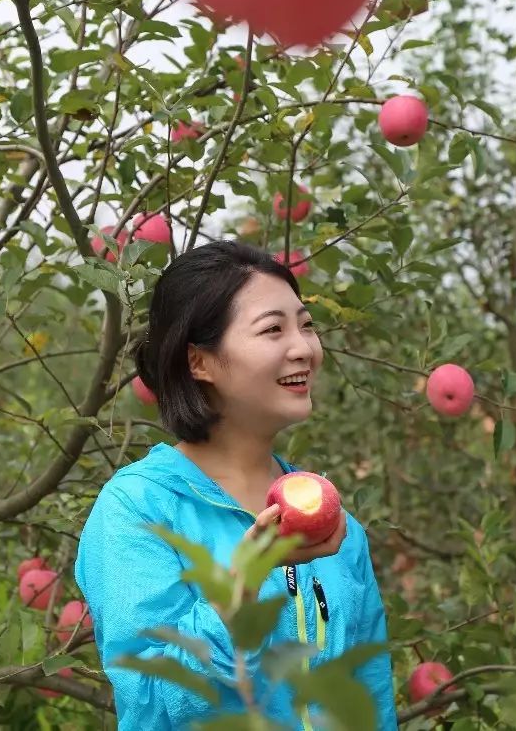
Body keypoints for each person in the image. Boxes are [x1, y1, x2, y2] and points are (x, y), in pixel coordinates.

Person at [74, 240, 395, 729]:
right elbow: (155, 704)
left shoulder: (337, 529)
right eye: (273, 329)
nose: (303, 348)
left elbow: (370, 698)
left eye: (306, 325)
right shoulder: (140, 510)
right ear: (198, 362)